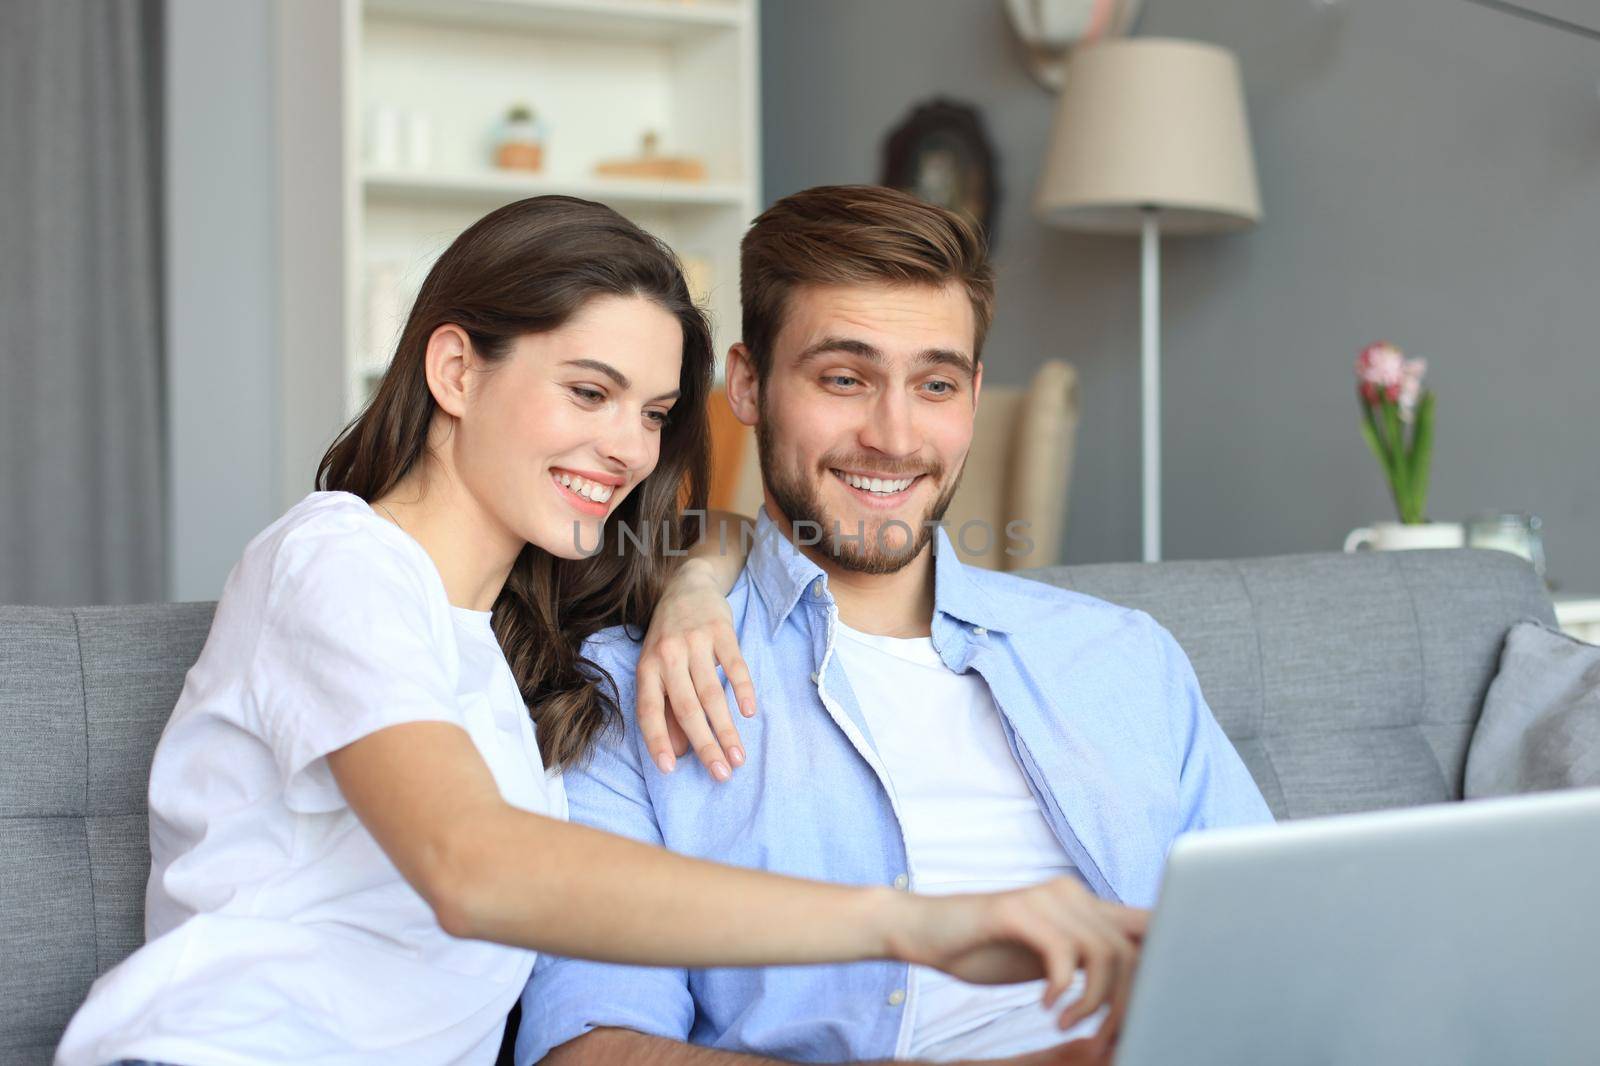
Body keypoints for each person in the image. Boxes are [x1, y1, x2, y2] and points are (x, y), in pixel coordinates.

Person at [54, 195, 1139, 1066]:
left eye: (655, 413)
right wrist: (909, 923)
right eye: (588, 391)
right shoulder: (336, 561)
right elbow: (473, 867)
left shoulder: (509, 629)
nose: (624, 447)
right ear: (455, 370)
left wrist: (696, 585)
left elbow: (737, 535)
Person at [517, 186, 1275, 1066]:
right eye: (845, 377)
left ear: (974, 395)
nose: (894, 433)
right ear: (749, 384)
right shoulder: (635, 690)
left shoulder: (1123, 657)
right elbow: (588, 1048)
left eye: (936, 384)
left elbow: (1279, 946)